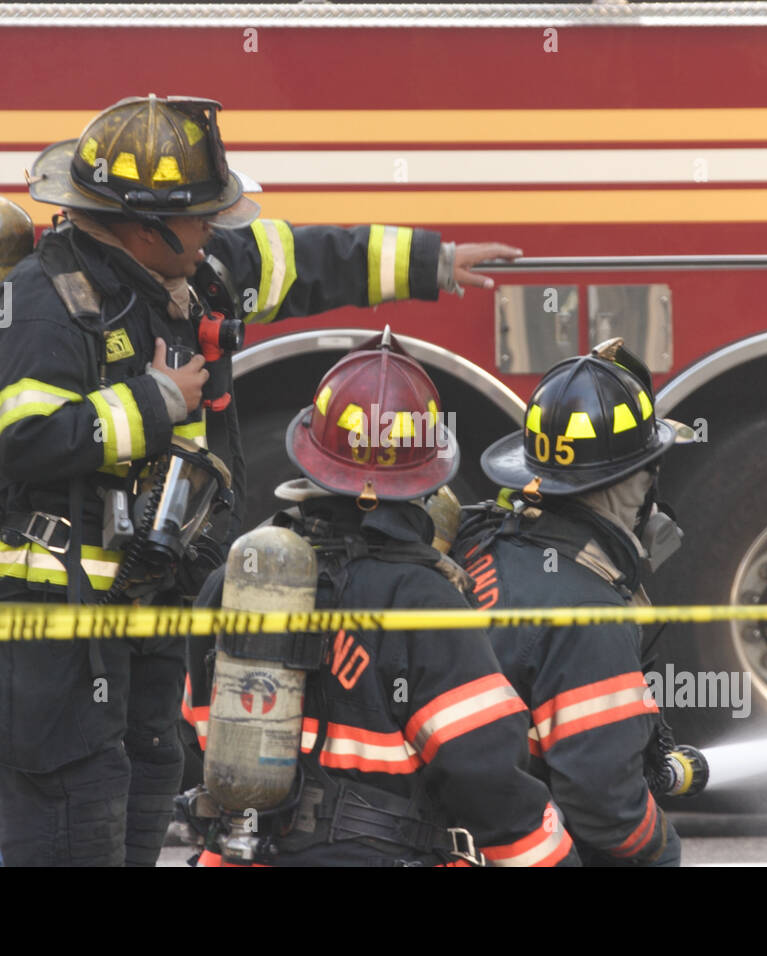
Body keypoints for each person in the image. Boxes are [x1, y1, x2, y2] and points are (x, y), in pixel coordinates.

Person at [0, 95, 521, 866]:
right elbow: (21, 439)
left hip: (140, 614)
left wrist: (434, 262)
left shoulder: (196, 272)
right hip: (52, 637)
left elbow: (307, 260)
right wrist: (153, 403)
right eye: (198, 218)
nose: (213, 231)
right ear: (138, 223)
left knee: (139, 814)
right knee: (70, 834)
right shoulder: (41, 304)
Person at [180, 333, 578, 867]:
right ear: (425, 481)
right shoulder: (421, 600)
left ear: (312, 457)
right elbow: (483, 772)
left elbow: (195, 731)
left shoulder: (235, 578)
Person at [451, 340, 691, 866]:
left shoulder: (479, 539)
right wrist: (664, 850)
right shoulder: (587, 609)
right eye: (651, 470)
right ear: (639, 479)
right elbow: (607, 810)